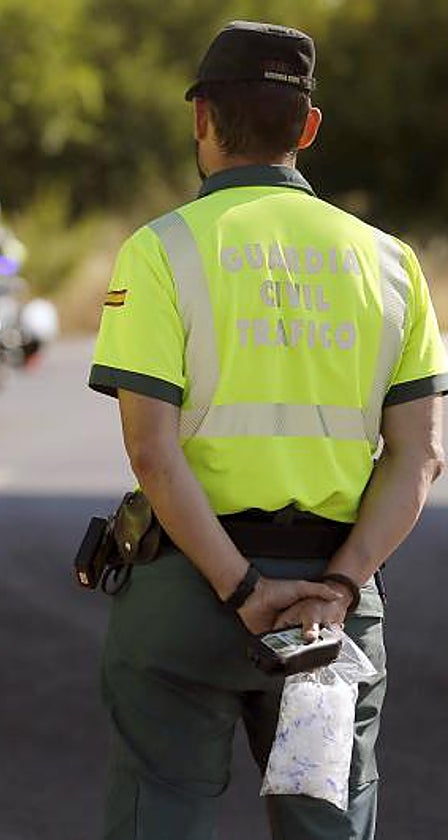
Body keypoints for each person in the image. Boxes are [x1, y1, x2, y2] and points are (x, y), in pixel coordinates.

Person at [88, 21, 446, 840]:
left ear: (201, 121)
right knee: (325, 823)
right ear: (309, 129)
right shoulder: (391, 263)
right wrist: (342, 586)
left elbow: (152, 450)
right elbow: (419, 456)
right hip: (331, 609)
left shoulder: (160, 251)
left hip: (185, 594)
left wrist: (243, 590)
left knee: (159, 810)